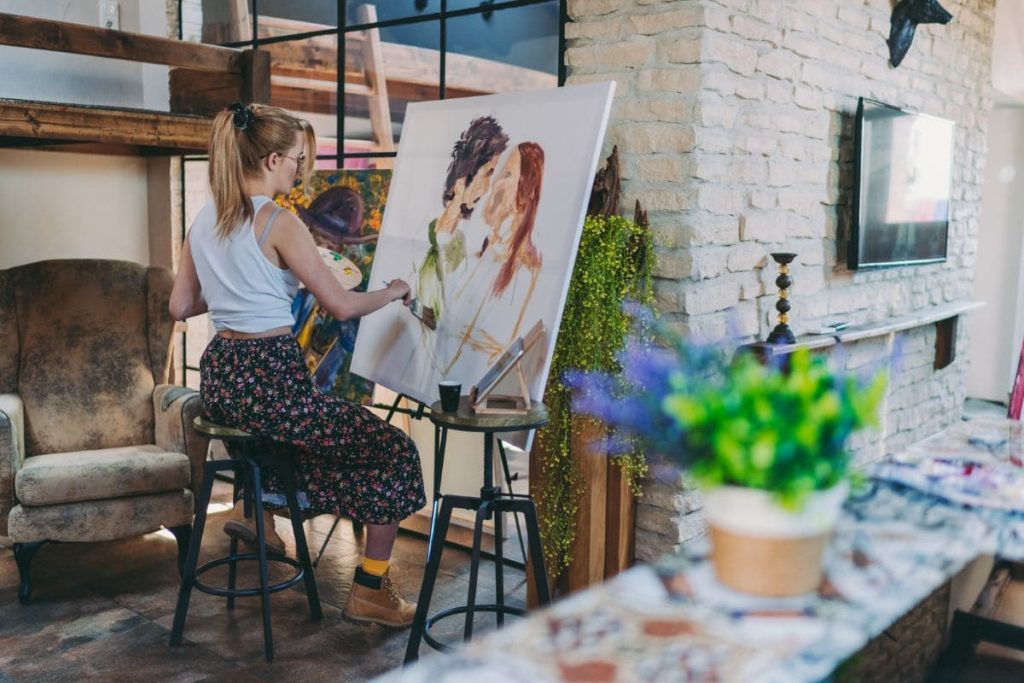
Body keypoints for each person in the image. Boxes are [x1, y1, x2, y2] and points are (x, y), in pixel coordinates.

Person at [169, 102, 426, 629]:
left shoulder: (205, 218)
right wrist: (396, 289)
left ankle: (257, 508)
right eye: (293, 161)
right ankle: (371, 591)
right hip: (270, 378)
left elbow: (179, 307)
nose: (296, 172)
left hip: (224, 378)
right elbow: (343, 306)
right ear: (269, 159)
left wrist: (233, 291)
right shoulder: (279, 221)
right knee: (395, 450)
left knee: (292, 442)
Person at [442, 141, 545, 372]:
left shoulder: (524, 268)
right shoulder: (486, 249)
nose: (496, 182)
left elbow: (497, 349)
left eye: (507, 174)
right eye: (498, 173)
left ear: (526, 189)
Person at [415, 116, 509, 328]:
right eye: (488, 174)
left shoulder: (462, 242)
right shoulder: (424, 234)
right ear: (462, 178)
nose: (487, 188)